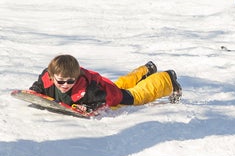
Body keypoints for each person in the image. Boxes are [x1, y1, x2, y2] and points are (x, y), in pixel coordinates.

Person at [28, 55, 182, 113]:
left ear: (76, 77)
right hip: (103, 85)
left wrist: (89, 107)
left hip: (105, 94)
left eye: (70, 81)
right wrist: (34, 91)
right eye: (60, 81)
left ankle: (166, 79)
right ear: (52, 75)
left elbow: (100, 102)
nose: (65, 85)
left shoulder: (87, 90)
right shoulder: (46, 77)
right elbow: (39, 85)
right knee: (120, 85)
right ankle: (145, 70)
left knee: (133, 95)